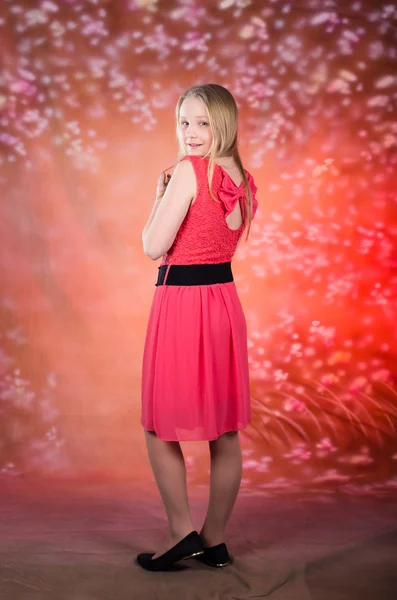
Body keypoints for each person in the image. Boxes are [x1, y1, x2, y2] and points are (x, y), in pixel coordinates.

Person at [137, 83, 258, 571]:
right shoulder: (246, 181)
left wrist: (159, 196)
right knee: (224, 430)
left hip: (183, 304)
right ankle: (216, 538)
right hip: (223, 304)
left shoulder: (190, 172)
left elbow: (151, 245)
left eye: (203, 122)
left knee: (157, 423)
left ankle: (179, 531)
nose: (190, 133)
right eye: (184, 122)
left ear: (224, 125)